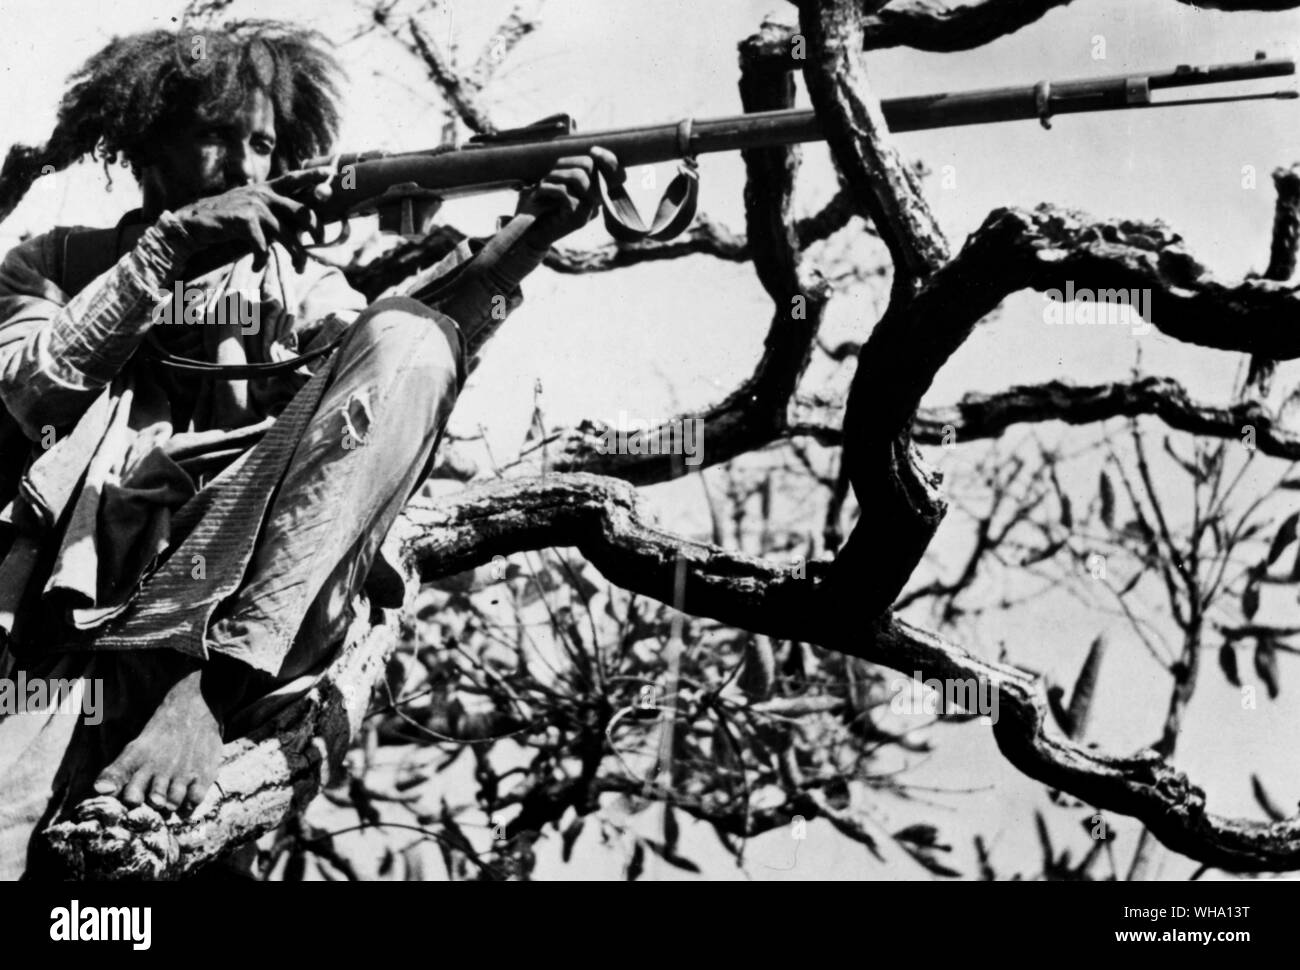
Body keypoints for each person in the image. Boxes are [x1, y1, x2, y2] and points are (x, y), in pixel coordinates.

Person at [0, 20, 620, 878]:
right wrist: (170, 249)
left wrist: (525, 244)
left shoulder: (293, 285)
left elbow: (389, 391)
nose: (248, 168)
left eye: (262, 144)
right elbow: (25, 392)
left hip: (235, 601)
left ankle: (210, 695)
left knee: (410, 335)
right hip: (57, 624)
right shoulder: (54, 264)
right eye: (216, 136)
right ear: (148, 142)